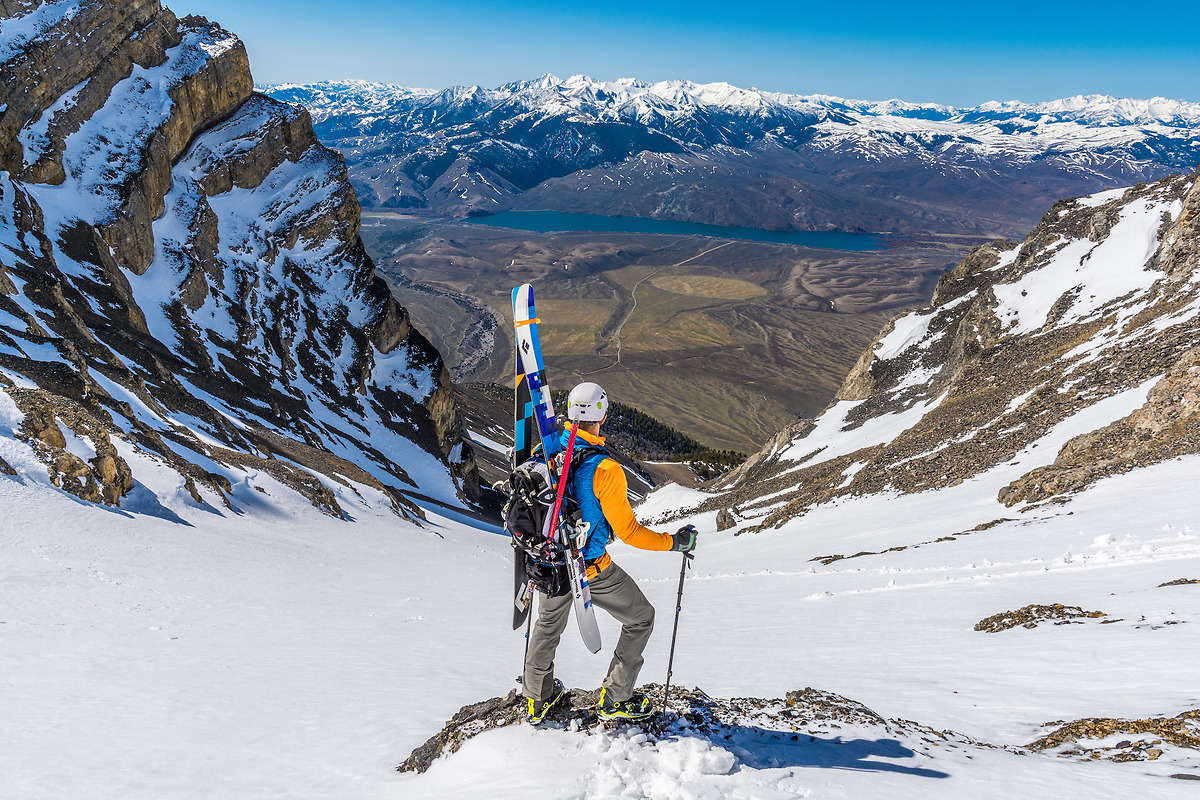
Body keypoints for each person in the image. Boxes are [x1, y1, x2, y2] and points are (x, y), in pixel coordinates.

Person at [523, 381, 699, 723]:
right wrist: (675, 542)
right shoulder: (605, 469)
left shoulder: (546, 451)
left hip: (550, 564)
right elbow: (630, 532)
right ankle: (616, 696)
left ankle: (536, 699)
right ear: (601, 414)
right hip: (590, 567)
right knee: (641, 618)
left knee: (546, 630)